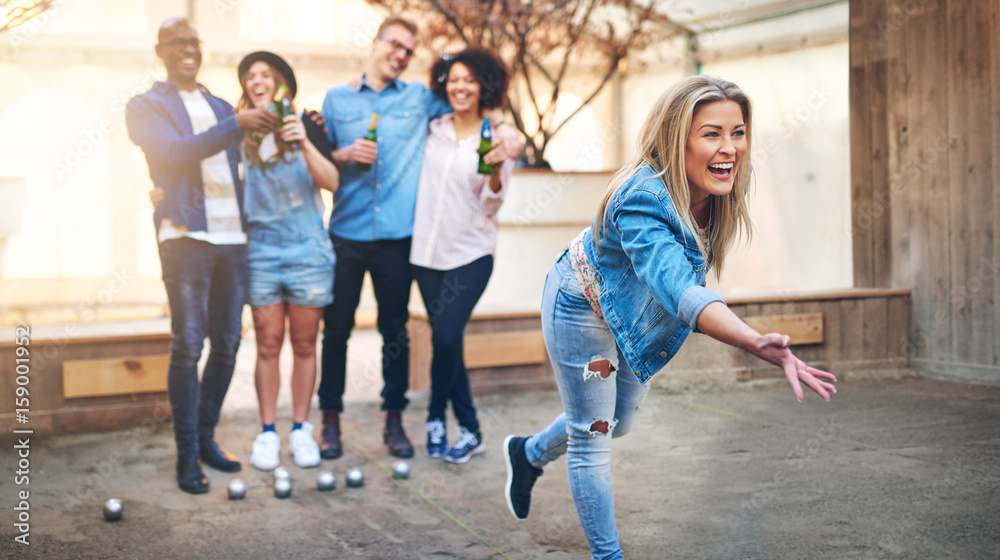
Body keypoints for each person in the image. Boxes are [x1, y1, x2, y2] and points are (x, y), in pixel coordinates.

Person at [501, 75, 838, 559]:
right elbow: (680, 289)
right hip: (581, 305)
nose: (730, 147)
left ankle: (528, 453)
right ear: (675, 138)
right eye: (711, 133)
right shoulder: (642, 199)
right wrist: (751, 340)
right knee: (593, 436)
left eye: (737, 131)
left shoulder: (715, 193)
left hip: (634, 313)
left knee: (617, 422)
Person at [317, 17, 523, 460]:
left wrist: (508, 133)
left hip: (405, 241)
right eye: (395, 45)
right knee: (336, 331)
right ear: (376, 43)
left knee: (402, 332)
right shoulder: (339, 100)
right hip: (353, 236)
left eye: (408, 51)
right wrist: (342, 153)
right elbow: (318, 160)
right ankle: (329, 419)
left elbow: (480, 113)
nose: (400, 55)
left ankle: (400, 420)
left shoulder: (421, 101)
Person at [125, 18, 278, 493]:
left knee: (228, 343)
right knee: (188, 345)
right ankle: (186, 453)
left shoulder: (218, 104)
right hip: (185, 237)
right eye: (177, 43)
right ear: (161, 50)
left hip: (233, 240)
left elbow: (247, 163)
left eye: (194, 42)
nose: (188, 49)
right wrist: (237, 125)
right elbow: (172, 153)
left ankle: (207, 436)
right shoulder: (145, 105)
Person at [235, 52, 340, 470]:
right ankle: (266, 432)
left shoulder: (309, 123)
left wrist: (302, 141)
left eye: (266, 74)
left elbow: (332, 182)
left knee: (302, 344)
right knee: (267, 344)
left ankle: (300, 429)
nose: (256, 80)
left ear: (282, 85)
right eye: (249, 76)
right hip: (261, 250)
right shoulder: (240, 133)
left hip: (308, 250)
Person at [411, 47, 516, 463]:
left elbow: (494, 202)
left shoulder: (494, 137)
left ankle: (437, 418)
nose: (460, 87)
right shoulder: (432, 129)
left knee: (447, 336)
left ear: (483, 86)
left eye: (469, 80)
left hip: (471, 252)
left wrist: (493, 171)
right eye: (454, 79)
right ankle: (470, 431)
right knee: (446, 343)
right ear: (444, 84)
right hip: (424, 254)